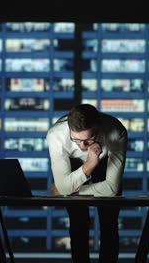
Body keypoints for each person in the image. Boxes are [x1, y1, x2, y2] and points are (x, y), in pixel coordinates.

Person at [46, 104, 128, 263]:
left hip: (105, 162)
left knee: (109, 224)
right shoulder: (56, 135)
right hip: (75, 166)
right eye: (76, 140)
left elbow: (111, 189)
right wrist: (90, 163)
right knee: (77, 225)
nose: (82, 146)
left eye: (89, 139)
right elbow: (63, 187)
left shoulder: (116, 131)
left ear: (97, 128)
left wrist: (71, 191)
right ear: (69, 129)